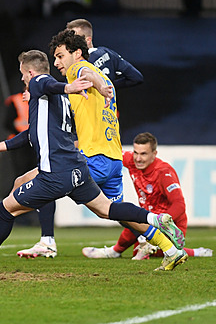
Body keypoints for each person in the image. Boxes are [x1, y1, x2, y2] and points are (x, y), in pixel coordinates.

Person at [0, 49, 187, 272]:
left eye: (23, 74)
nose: (23, 79)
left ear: (30, 72)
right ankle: (156, 220)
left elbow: (46, 82)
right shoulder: (54, 100)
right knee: (107, 209)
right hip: (78, 170)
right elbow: (31, 133)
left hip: (56, 173)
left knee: (6, 208)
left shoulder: (41, 83)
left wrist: (68, 86)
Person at [16, 19, 143, 258]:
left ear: (79, 47)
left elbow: (83, 73)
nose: (57, 63)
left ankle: (46, 241)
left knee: (43, 179)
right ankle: (158, 234)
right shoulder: (104, 76)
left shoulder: (80, 69)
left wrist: (98, 86)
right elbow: (134, 77)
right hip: (113, 156)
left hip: (94, 155)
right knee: (114, 211)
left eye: (60, 56)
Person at [82, 132, 213, 259]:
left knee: (153, 251)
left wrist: (161, 224)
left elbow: (179, 205)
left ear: (154, 154)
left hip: (171, 224)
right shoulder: (132, 161)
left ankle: (195, 252)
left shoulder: (164, 172)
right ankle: (114, 251)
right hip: (148, 219)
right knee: (126, 214)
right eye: (136, 153)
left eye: (143, 154)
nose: (138, 158)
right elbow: (110, 155)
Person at [66, 19, 143, 90]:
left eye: (74, 38)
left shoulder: (78, 62)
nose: (69, 42)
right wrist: (110, 86)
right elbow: (136, 77)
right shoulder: (108, 53)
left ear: (88, 40)